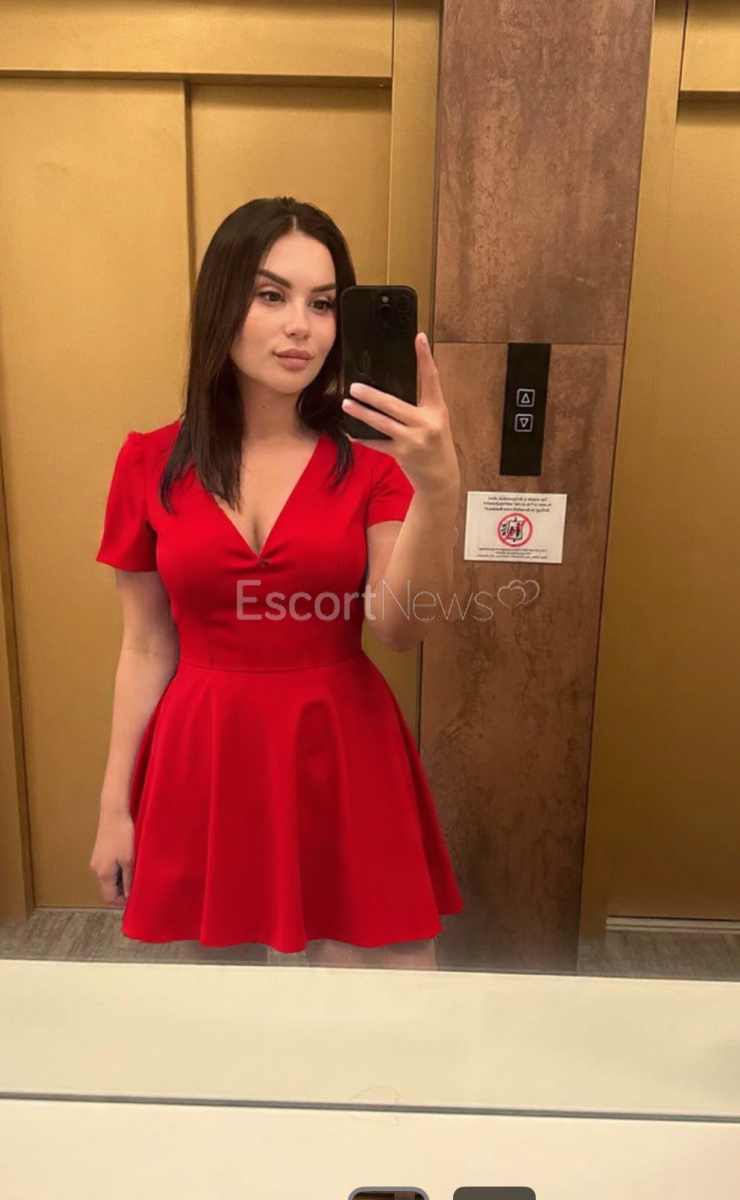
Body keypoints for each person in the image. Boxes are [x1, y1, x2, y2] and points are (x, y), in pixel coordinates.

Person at [89, 197, 462, 970]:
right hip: (204, 749)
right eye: (271, 295)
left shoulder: (374, 463)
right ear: (221, 304)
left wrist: (437, 489)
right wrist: (113, 805)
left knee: (385, 986)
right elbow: (147, 645)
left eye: (322, 305)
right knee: (221, 1005)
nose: (301, 327)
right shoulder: (147, 462)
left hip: (341, 744)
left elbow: (400, 628)